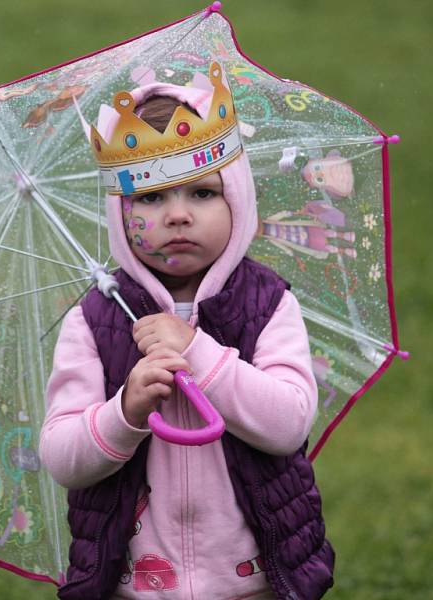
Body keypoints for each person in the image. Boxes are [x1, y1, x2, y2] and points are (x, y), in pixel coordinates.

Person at [40, 63, 334, 599]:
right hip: (133, 585)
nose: (177, 215)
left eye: (201, 193)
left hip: (255, 580)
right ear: (119, 211)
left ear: (237, 201)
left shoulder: (267, 304)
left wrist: (198, 352)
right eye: (150, 198)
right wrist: (125, 411)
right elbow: (62, 456)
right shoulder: (96, 318)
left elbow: (288, 422)